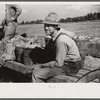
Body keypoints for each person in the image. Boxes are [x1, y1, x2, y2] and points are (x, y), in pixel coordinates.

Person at [32, 12, 82, 83]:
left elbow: (59, 64)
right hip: (66, 63)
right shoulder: (57, 34)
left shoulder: (61, 40)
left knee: (36, 74)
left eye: (49, 25)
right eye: (45, 25)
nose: (46, 28)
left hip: (70, 66)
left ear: (55, 26)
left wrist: (41, 66)